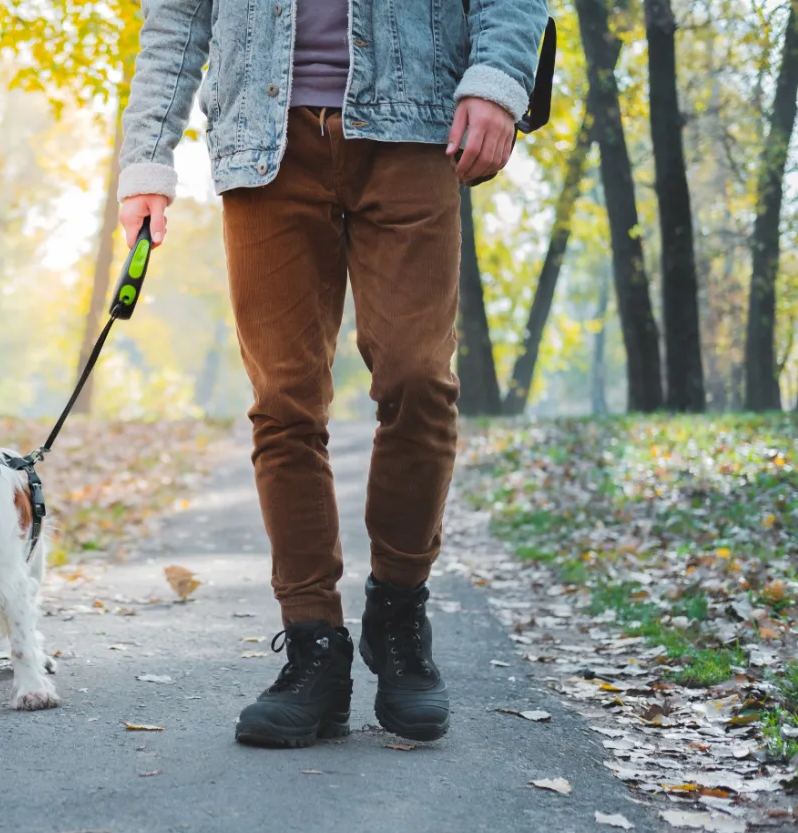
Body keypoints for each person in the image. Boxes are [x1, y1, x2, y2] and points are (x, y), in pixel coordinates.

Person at [117, 0, 547, 747]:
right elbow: (179, 16)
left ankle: (399, 612)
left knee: (419, 379)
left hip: (415, 126)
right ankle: (314, 645)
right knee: (284, 402)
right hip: (262, 136)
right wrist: (148, 160)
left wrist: (499, 76)